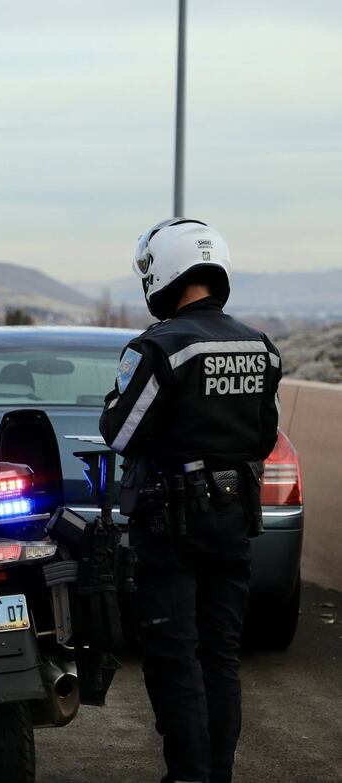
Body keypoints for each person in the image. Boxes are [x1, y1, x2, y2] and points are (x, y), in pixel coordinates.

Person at [99, 218, 281, 783]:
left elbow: (120, 430)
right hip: (234, 518)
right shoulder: (261, 347)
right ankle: (216, 774)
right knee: (221, 654)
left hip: (172, 523)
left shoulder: (161, 347)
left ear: (165, 274)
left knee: (174, 653)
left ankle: (187, 775)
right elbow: (264, 438)